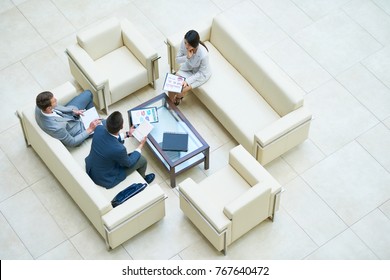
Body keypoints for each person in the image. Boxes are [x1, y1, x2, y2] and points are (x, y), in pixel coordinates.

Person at [85, 111, 155, 189]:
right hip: (105, 178)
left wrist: (128, 134)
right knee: (142, 160)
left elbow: (109, 138)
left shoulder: (98, 129)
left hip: (92, 167)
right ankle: (143, 180)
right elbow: (129, 163)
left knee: (131, 155)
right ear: (121, 127)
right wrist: (141, 145)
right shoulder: (120, 149)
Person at [35, 90, 101, 147]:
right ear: (49, 108)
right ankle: (95, 126)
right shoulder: (57, 128)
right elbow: (72, 142)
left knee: (88, 93)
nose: (56, 100)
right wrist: (90, 129)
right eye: (54, 101)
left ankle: (93, 117)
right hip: (79, 130)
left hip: (69, 114)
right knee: (107, 123)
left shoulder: (40, 106)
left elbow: (57, 107)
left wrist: (73, 111)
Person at [169, 29, 211, 105]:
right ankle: (170, 105)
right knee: (171, 86)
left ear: (194, 45)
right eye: (185, 43)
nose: (186, 46)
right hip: (188, 68)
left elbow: (201, 73)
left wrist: (187, 81)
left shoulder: (203, 55)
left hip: (200, 75)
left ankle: (178, 98)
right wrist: (187, 57)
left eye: (188, 45)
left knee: (181, 89)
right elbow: (177, 60)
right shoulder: (184, 43)